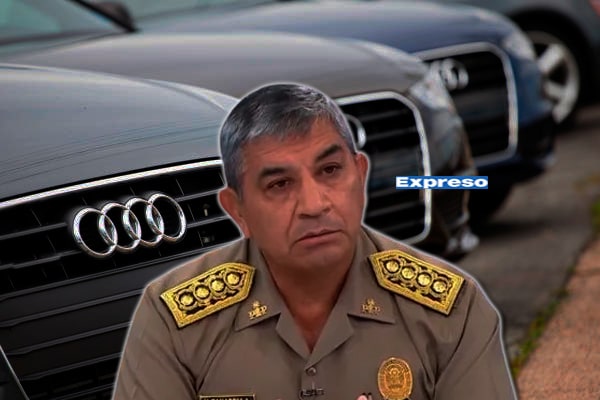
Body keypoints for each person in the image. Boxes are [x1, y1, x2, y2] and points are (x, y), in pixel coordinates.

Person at [112, 83, 517, 400]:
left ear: (360, 175)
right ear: (238, 210)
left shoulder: (451, 310)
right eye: (280, 184)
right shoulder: (173, 319)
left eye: (330, 170)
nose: (313, 204)